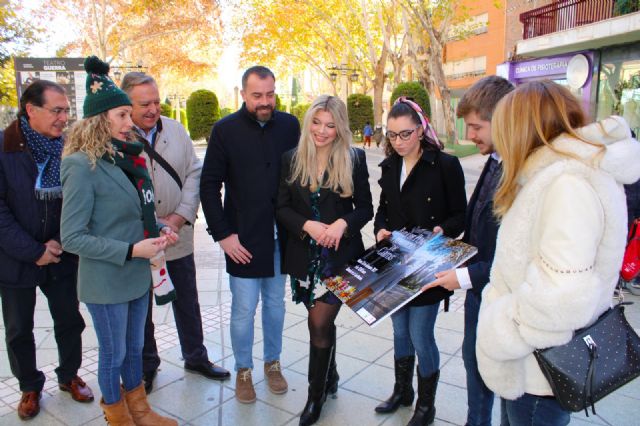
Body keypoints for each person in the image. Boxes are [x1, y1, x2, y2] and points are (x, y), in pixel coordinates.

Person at [475, 80, 640, 426]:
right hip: (533, 368)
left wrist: (498, 328)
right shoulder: (557, 176)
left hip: (538, 372)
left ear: (521, 130)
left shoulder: (566, 185)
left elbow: (561, 298)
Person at [60, 56, 178, 425]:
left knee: (135, 350)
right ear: (100, 120)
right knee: (112, 354)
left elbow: (136, 212)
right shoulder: (81, 165)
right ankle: (117, 416)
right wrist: (130, 250)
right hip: (106, 279)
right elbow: (72, 237)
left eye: (130, 115)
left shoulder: (129, 158)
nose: (131, 123)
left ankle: (140, 410)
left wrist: (159, 227)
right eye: (123, 116)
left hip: (136, 274)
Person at [121, 72, 230, 393]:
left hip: (177, 237)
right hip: (140, 241)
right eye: (145, 104)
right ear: (127, 104)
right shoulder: (119, 135)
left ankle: (196, 356)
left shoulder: (176, 131)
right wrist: (153, 225)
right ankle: (147, 364)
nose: (154, 109)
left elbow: (194, 174)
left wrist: (180, 217)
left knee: (187, 299)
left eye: (156, 101)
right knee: (142, 306)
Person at [200, 66, 300, 403]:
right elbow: (209, 186)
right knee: (244, 309)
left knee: (275, 305)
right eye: (257, 95)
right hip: (242, 240)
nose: (265, 101)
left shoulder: (289, 125)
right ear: (242, 94)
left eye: (270, 94)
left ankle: (272, 363)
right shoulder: (224, 130)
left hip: (281, 238)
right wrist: (223, 235)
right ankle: (244, 369)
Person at [422, 76, 513, 426]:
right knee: (474, 363)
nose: (470, 136)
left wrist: (460, 276)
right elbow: (478, 224)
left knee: (500, 376)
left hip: (500, 298)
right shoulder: (494, 160)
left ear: (503, 119)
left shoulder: (523, 172)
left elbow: (514, 257)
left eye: (476, 127)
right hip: (478, 294)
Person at [276, 95, 373, 425]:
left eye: (331, 125)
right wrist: (307, 225)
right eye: (316, 122)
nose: (322, 131)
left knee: (318, 324)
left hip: (340, 260)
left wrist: (343, 223)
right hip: (304, 259)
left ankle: (313, 399)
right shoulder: (292, 159)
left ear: (340, 127)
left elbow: (365, 208)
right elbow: (282, 208)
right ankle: (329, 376)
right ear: (308, 122)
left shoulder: (353, 158)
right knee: (323, 324)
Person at [0, 79, 93, 421]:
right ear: (31, 110)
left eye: (67, 111)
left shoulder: (69, 148)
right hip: (15, 260)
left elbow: (80, 203)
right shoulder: (4, 148)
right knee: (18, 328)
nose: (63, 118)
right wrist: (33, 249)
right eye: (57, 110)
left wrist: (60, 242)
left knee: (70, 320)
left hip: (62, 255)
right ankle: (29, 385)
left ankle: (69, 375)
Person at [373, 97, 466, 425]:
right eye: (392, 135)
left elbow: (460, 215)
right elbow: (383, 209)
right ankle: (403, 391)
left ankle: (426, 405)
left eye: (406, 134)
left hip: (429, 263)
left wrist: (444, 229)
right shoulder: (389, 166)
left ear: (421, 130)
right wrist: (381, 229)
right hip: (396, 263)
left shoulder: (444, 165)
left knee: (420, 334)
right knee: (400, 331)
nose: (399, 142)